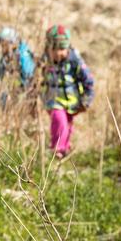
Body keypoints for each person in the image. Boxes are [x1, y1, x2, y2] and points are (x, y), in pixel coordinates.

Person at [41, 25, 95, 159]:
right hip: (53, 100)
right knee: (59, 122)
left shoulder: (74, 60)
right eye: (54, 49)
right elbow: (38, 79)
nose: (58, 53)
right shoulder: (45, 61)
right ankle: (57, 149)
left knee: (67, 125)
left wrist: (87, 99)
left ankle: (64, 147)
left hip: (71, 102)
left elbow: (88, 80)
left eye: (62, 49)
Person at [0, 27, 37, 109]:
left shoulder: (23, 54)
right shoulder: (5, 57)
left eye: (4, 44)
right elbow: (0, 73)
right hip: (14, 88)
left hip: (27, 89)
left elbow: (29, 73)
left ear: (11, 43)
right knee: (4, 99)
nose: (2, 48)